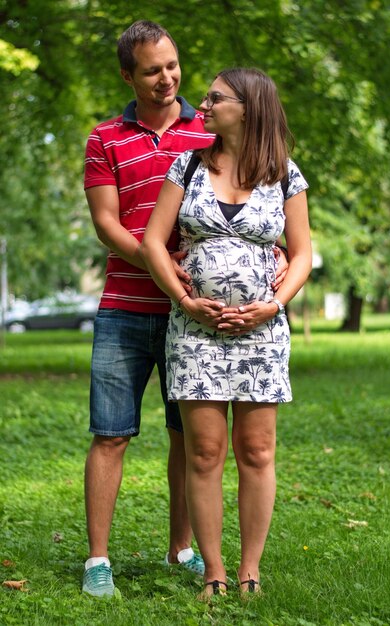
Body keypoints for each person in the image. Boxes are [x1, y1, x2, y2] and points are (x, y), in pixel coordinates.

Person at [141, 67, 312, 599]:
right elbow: (151, 242)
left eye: (216, 98)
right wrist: (187, 299)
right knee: (203, 453)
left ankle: (249, 573)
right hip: (195, 333)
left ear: (249, 106)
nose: (204, 105)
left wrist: (272, 306)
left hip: (262, 335)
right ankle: (214, 571)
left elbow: (303, 253)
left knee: (257, 451)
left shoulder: (284, 173)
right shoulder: (187, 165)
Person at [81, 20, 217, 597]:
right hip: (124, 308)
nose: (167, 79)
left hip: (191, 311)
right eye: (151, 71)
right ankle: (96, 561)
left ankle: (182, 547)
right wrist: (163, 265)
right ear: (127, 76)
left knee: (187, 436)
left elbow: (244, 198)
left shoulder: (209, 132)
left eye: (172, 65)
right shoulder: (105, 138)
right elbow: (107, 226)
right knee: (111, 434)